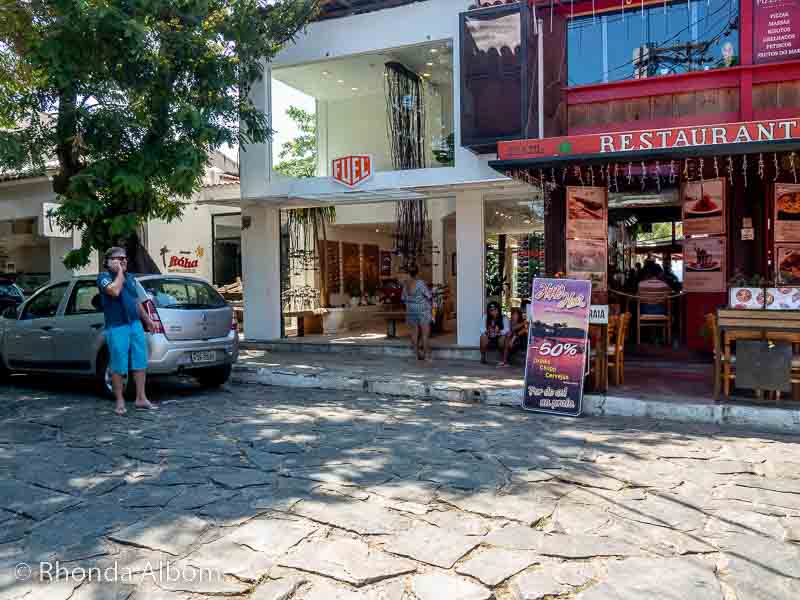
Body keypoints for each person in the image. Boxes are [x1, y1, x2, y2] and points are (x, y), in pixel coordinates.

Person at [97, 247, 157, 415]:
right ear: (108, 262)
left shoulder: (130, 278)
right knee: (118, 365)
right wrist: (120, 273)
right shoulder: (103, 277)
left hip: (135, 324)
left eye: (124, 258)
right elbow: (114, 291)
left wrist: (147, 320)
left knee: (140, 361)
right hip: (117, 326)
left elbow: (136, 302)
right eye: (118, 258)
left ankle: (141, 398)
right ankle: (120, 401)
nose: (123, 260)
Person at [401, 265, 433, 361]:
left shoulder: (405, 285)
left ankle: (416, 355)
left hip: (411, 310)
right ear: (417, 273)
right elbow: (428, 295)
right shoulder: (420, 283)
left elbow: (403, 298)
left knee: (414, 333)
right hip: (422, 310)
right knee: (425, 334)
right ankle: (427, 355)